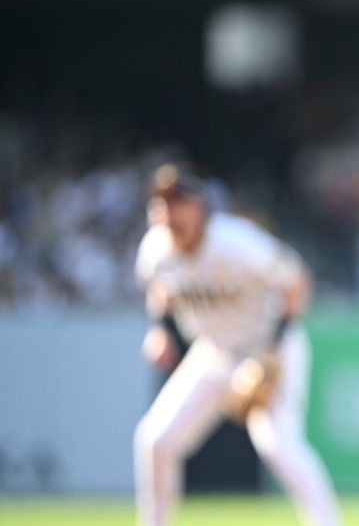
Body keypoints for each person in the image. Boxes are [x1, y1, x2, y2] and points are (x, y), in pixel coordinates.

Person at [133, 163, 341, 526]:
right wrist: (161, 329)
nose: (169, 211)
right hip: (213, 353)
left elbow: (297, 281)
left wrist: (273, 349)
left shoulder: (234, 241)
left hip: (269, 348)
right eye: (161, 202)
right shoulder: (155, 250)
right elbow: (159, 291)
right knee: (155, 440)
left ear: (198, 208)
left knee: (278, 445)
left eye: (178, 201)